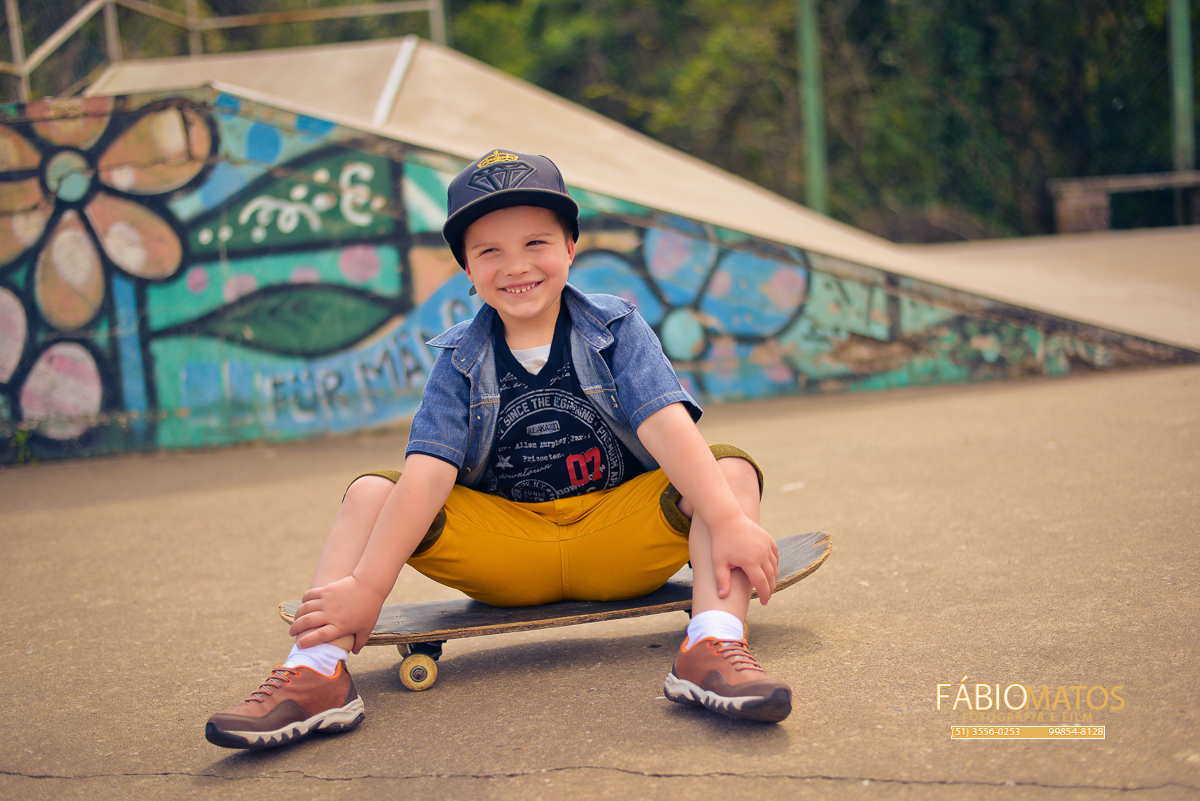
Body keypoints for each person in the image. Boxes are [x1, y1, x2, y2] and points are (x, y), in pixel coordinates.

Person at [205, 149, 791, 750]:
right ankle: (315, 670)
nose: (517, 266)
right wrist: (369, 590)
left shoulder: (617, 330)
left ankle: (713, 645)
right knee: (374, 491)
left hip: (620, 540)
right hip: (509, 555)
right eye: (490, 251)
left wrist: (727, 521)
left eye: (536, 243)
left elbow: (666, 425)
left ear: (570, 247)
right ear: (466, 268)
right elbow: (429, 475)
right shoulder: (459, 360)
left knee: (727, 470)